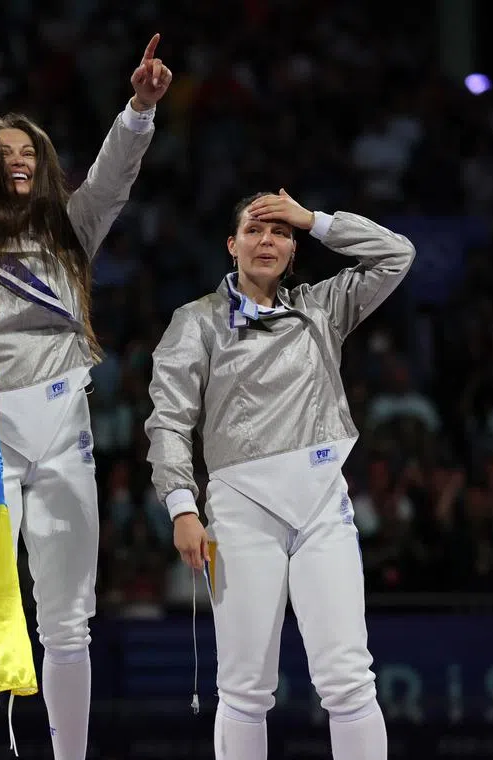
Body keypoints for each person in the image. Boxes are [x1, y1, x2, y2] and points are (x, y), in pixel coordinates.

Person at [0, 33, 172, 760]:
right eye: (6, 155)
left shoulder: (68, 232)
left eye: (29, 153)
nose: (20, 162)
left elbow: (113, 180)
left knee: (67, 620)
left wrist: (139, 109)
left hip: (63, 427)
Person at [145, 189, 415, 760]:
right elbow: (169, 420)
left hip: (323, 508)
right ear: (231, 245)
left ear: (293, 248)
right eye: (254, 229)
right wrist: (181, 506)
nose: (267, 240)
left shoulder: (322, 309)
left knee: (348, 680)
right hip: (242, 513)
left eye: (280, 232)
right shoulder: (196, 323)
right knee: (245, 688)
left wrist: (316, 220)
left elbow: (397, 256)